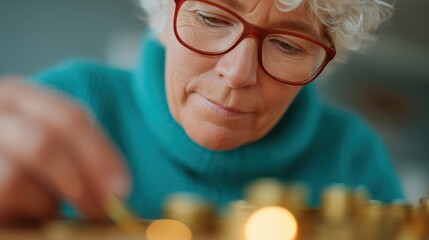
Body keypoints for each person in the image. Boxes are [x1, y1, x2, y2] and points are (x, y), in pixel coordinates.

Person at [0, 0, 403, 222]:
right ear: (161, 15)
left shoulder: (355, 161)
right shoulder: (66, 104)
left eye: (289, 46)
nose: (237, 73)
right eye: (211, 18)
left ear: (322, 64)